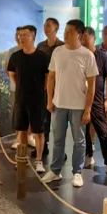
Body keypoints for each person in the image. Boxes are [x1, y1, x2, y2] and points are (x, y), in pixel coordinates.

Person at [40, 19, 97, 188]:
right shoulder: (58, 52)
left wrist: (88, 109)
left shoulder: (87, 55)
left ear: (79, 34)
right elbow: (51, 78)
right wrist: (49, 100)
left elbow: (92, 85)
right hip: (59, 104)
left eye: (70, 31)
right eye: (65, 31)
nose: (65, 34)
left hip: (78, 105)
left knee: (79, 141)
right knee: (57, 139)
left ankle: (77, 172)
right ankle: (55, 170)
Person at [6, 25, 49, 173]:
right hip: (21, 99)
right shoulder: (15, 56)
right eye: (20, 35)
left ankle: (39, 160)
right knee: (22, 130)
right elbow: (11, 72)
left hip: (38, 100)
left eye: (25, 35)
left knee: (38, 131)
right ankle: (22, 158)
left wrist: (43, 89)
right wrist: (19, 85)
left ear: (33, 36)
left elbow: (48, 76)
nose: (22, 37)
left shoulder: (42, 57)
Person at [82, 27, 107, 179]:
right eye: (81, 39)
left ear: (93, 38)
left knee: (103, 131)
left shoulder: (101, 56)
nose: (83, 42)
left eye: (86, 39)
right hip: (80, 99)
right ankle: (88, 155)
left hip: (97, 100)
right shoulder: (78, 55)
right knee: (84, 131)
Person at [36, 17, 64, 163]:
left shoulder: (62, 46)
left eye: (48, 25)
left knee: (59, 121)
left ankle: (60, 151)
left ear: (56, 28)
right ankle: (44, 146)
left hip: (59, 88)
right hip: (44, 88)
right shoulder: (40, 46)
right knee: (44, 119)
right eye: (45, 25)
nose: (46, 28)